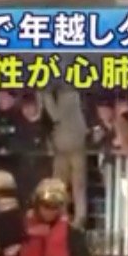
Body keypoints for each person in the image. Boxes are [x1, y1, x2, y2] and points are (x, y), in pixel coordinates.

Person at [41, 86, 89, 225]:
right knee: (63, 184)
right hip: (63, 143)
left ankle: (75, 218)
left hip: (73, 142)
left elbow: (54, 114)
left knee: (75, 184)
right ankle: (66, 217)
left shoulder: (67, 94)